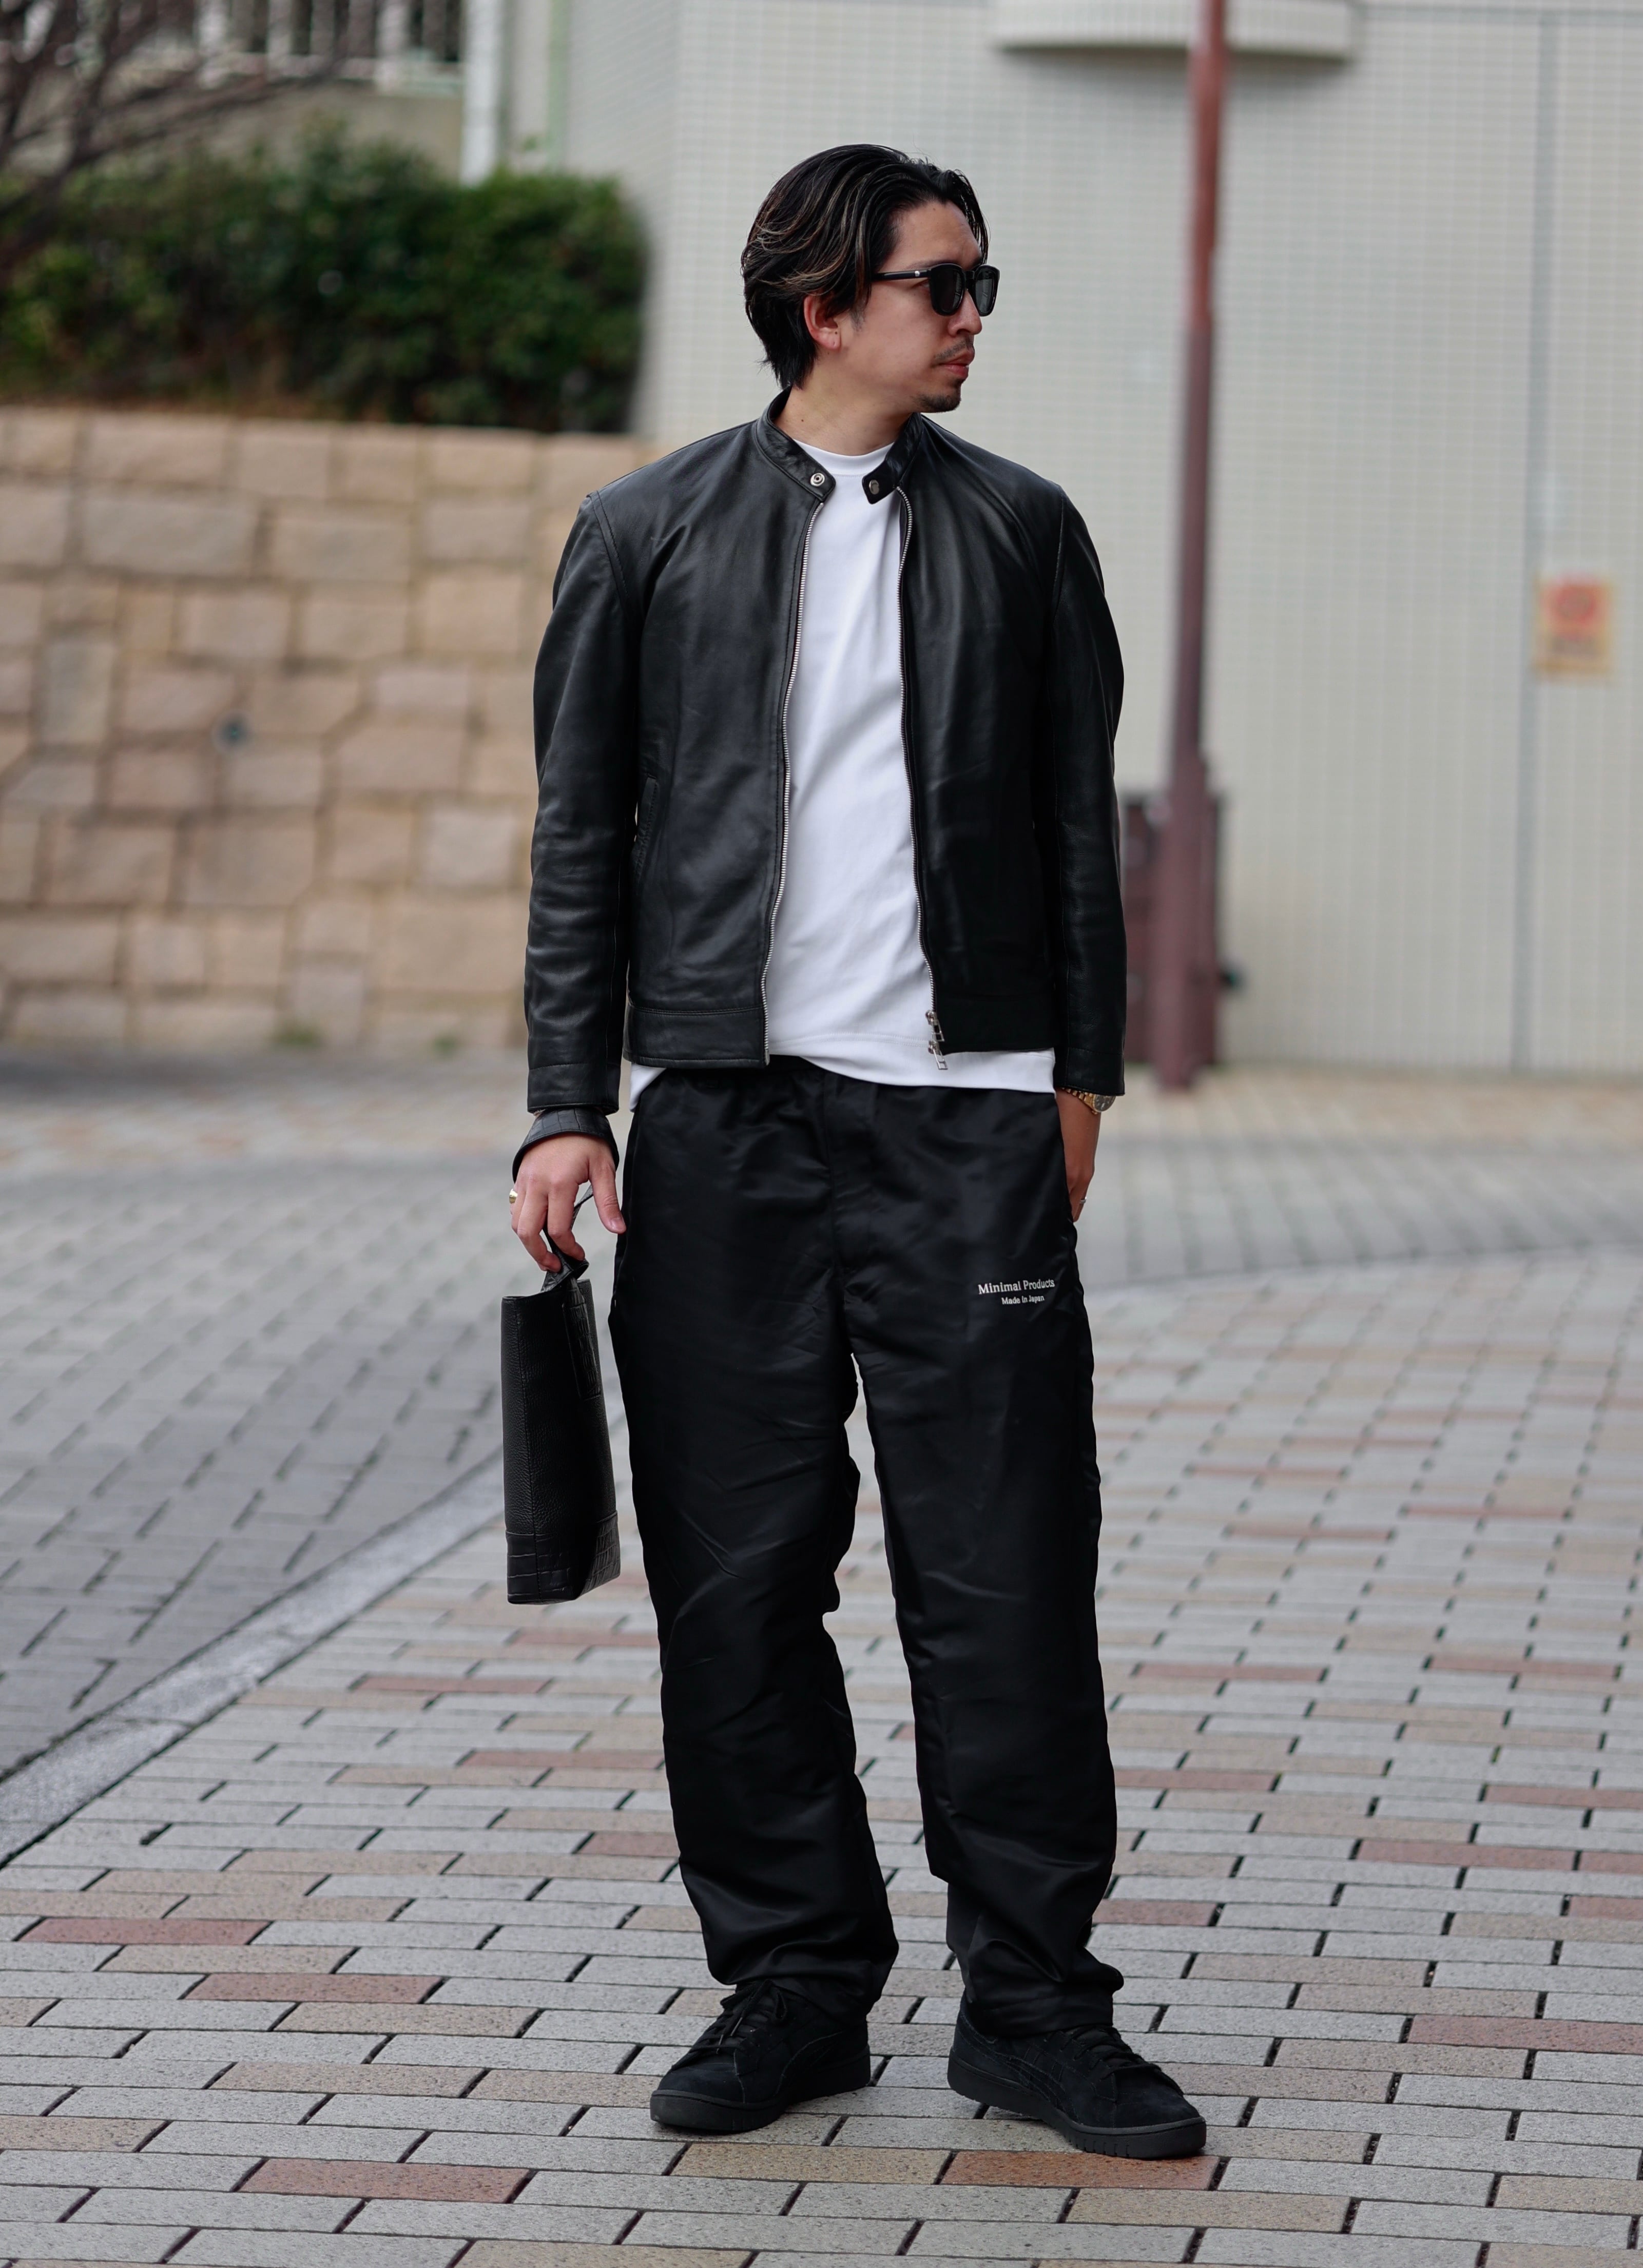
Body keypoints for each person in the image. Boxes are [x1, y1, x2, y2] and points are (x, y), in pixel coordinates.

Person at [508, 143, 1204, 2161]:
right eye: (940, 283)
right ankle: (797, 1982)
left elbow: (1074, 828)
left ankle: (1037, 2004)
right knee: (735, 1580)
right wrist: (565, 1101)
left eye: (984, 282)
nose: (973, 314)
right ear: (826, 309)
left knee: (1003, 1572)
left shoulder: (1024, 531)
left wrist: (1076, 1084)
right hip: (724, 1118)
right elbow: (582, 834)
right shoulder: (645, 532)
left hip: (968, 1117)